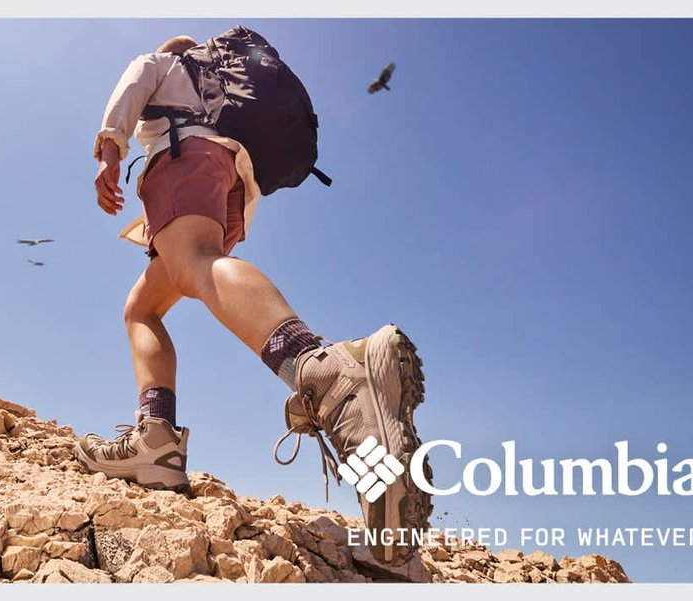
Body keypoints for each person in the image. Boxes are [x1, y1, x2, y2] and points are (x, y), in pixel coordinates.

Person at [74, 33, 431, 566]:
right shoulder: (216, 90)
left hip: (182, 155)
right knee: (142, 306)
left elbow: (132, 85)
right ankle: (157, 441)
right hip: (230, 187)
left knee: (194, 263)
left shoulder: (167, 63)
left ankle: (324, 371)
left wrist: (109, 148)